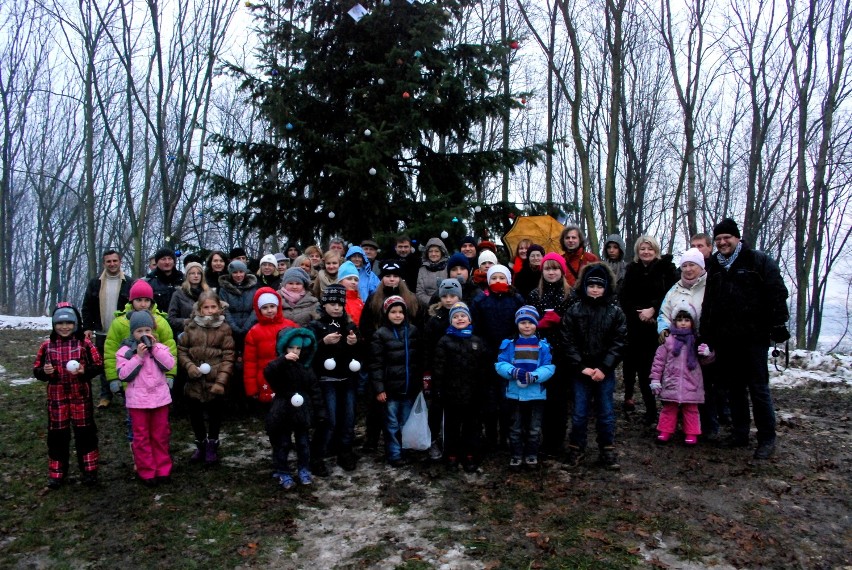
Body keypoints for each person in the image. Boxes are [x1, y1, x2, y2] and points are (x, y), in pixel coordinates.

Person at [700, 218, 790, 460]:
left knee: (758, 388)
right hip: (725, 338)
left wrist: (779, 323)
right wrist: (706, 334)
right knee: (734, 388)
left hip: (753, 337)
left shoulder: (758, 261)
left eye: (726, 238)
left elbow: (777, 292)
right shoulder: (715, 267)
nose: (722, 242)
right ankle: (740, 433)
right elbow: (708, 303)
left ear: (737, 238)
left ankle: (766, 438)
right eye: (718, 239)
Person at [560, 263, 627, 469]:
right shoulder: (574, 310)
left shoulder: (615, 312)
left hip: (604, 372)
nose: (595, 289)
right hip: (581, 372)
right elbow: (567, 341)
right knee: (579, 413)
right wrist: (580, 366)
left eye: (599, 285)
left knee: (605, 413)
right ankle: (576, 449)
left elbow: (620, 342)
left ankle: (607, 450)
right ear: (584, 286)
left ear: (606, 287)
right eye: (591, 285)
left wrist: (605, 368)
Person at [33, 303, 104, 488]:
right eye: (60, 323)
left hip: (81, 397)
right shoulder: (47, 345)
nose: (64, 327)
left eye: (69, 323)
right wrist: (45, 371)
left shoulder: (84, 343)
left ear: (75, 324)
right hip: (56, 400)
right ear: (53, 324)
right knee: (57, 437)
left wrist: (83, 371)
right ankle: (57, 473)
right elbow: (37, 370)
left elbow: (98, 365)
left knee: (85, 435)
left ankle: (89, 470)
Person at [360, 261, 420, 453]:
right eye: (387, 275)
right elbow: (365, 326)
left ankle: (403, 445)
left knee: (401, 413)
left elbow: (418, 323)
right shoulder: (373, 298)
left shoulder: (410, 298)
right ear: (382, 277)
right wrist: (378, 342)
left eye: (395, 275)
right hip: (381, 355)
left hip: (404, 358)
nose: (391, 278)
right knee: (378, 406)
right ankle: (372, 440)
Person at [619, 235, 677, 422]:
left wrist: (653, 308)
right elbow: (624, 296)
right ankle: (650, 411)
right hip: (635, 326)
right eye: (643, 249)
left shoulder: (666, 269)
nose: (646, 252)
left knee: (658, 371)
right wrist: (638, 313)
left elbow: (671, 294)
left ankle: (670, 412)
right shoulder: (632, 269)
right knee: (638, 370)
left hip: (659, 326)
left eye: (650, 249)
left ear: (656, 250)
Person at [116, 310, 176, 486]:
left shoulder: (160, 348)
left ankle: (163, 469)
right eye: (139, 331)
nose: (144, 335)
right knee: (141, 437)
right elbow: (124, 374)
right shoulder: (125, 352)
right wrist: (138, 357)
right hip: (137, 402)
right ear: (133, 333)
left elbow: (169, 364)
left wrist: (155, 350)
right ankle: (147, 471)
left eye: (147, 330)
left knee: (160, 435)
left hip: (160, 400)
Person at [470, 264, 526, 451]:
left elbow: (521, 325)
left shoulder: (516, 299)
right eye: (494, 278)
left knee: (507, 399)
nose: (498, 281)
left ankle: (507, 435)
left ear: (508, 280)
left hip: (509, 357)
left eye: (502, 278)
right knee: (489, 399)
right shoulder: (480, 300)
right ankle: (491, 436)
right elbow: (475, 329)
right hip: (487, 357)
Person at [307, 284, 362, 473]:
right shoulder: (316, 325)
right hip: (326, 380)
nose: (336, 307)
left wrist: (355, 343)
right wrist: (323, 342)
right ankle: (317, 456)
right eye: (332, 303)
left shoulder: (350, 325)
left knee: (348, 418)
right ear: (324, 304)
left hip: (347, 379)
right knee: (328, 419)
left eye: (340, 303)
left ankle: (345, 451)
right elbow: (308, 351)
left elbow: (361, 352)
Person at [177, 291, 234, 464]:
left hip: (215, 380)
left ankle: (212, 444)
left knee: (215, 414)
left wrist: (221, 381)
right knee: (195, 415)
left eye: (213, 307)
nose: (210, 310)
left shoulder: (224, 328)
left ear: (219, 307)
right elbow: (182, 350)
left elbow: (228, 356)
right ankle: (200, 443)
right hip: (194, 380)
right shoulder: (191, 327)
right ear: (200, 310)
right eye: (206, 307)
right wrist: (189, 366)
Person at [495, 306, 555, 471]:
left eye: (530, 322)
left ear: (536, 324)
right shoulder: (509, 344)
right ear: (517, 324)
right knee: (515, 426)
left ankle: (531, 454)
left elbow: (549, 367)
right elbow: (500, 364)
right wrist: (512, 371)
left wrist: (535, 376)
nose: (527, 326)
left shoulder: (543, 346)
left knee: (534, 427)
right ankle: (516, 455)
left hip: (536, 393)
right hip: (515, 393)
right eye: (523, 323)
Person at [264, 327, 325, 489]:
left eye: (298, 348)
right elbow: (269, 372)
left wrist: (319, 411)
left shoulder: (306, 368)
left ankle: (303, 468)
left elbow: (315, 390)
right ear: (284, 348)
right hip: (283, 410)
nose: (295, 352)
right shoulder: (279, 366)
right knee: (282, 443)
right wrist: (282, 360)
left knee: (303, 443)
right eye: (291, 348)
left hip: (302, 411)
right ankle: (282, 470)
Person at [527, 252, 574, 457]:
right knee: (542, 399)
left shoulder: (570, 295)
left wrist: (560, 321)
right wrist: (539, 326)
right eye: (548, 268)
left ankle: (558, 442)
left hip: (563, 354)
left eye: (555, 268)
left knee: (560, 400)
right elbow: (526, 323)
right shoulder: (534, 295)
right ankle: (545, 441)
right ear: (542, 271)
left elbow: (575, 324)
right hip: (539, 354)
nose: (551, 272)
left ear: (562, 271)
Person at [433, 302, 489, 472]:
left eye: (463, 316)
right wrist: (439, 388)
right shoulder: (444, 341)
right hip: (451, 393)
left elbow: (482, 367)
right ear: (451, 321)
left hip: (472, 393)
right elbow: (438, 367)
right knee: (451, 427)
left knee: (471, 426)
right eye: (456, 316)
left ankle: (470, 455)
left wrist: (482, 388)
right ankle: (451, 455)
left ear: (469, 319)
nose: (459, 319)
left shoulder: (477, 341)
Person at [104, 281, 177, 405]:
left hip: (156, 381)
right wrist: (113, 377)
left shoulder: (161, 322)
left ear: (151, 302)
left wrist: (170, 374)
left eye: (147, 300)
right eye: (139, 300)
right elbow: (111, 350)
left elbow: (170, 348)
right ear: (131, 301)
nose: (143, 304)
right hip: (131, 381)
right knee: (133, 415)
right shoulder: (119, 323)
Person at [650, 302, 713, 445]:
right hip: (672, 381)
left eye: (686, 320)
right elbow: (659, 361)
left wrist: (708, 354)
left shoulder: (696, 341)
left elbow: (706, 361)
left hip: (691, 383)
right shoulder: (668, 341)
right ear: (674, 321)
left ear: (692, 322)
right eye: (679, 320)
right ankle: (665, 431)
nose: (683, 323)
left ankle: (691, 433)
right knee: (668, 408)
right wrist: (655, 379)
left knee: (691, 409)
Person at [370, 295, 423, 467]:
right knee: (391, 424)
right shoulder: (381, 334)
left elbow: (418, 360)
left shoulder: (413, 331)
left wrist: (419, 383)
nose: (398, 315)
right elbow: (376, 363)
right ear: (387, 314)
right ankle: (394, 454)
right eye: (393, 312)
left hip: (409, 388)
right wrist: (379, 389)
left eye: (401, 312)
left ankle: (406, 450)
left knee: (405, 422)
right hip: (390, 390)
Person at [81, 249, 133, 409]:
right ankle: (105, 395)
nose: (112, 264)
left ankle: (128, 395)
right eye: (108, 261)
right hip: (102, 331)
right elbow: (87, 307)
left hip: (123, 332)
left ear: (120, 262)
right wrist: (88, 327)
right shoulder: (95, 282)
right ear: (104, 263)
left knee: (127, 363)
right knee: (104, 365)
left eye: (114, 261)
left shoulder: (129, 282)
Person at [422, 278, 464, 462]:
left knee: (456, 411)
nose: (448, 299)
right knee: (436, 409)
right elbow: (427, 348)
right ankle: (433, 440)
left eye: (453, 295)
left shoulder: (463, 317)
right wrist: (427, 374)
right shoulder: (434, 320)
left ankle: (454, 442)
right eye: (445, 295)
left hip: (459, 373)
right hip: (438, 373)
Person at [243, 288, 298, 405]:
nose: (269, 311)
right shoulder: (254, 332)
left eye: (272, 306)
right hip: (266, 378)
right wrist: (251, 388)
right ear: (259, 310)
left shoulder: (291, 326)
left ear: (278, 306)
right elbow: (250, 362)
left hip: (289, 375)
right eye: (265, 307)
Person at [218, 260, 259, 355]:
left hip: (250, 326)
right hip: (231, 328)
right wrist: (234, 328)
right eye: (235, 272)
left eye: (241, 272)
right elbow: (224, 309)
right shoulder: (224, 290)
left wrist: (247, 326)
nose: (238, 275)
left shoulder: (253, 288)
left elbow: (255, 308)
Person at [167, 261, 209, 336]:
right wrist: (189, 322)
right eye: (192, 273)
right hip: (186, 334)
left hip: (207, 333)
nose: (196, 276)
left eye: (199, 273)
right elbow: (171, 319)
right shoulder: (178, 294)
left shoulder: (208, 293)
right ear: (187, 275)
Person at [145, 248, 185, 321]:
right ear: (157, 262)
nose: (167, 262)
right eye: (163, 259)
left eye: (170, 259)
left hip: (181, 324)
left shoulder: (183, 280)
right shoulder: (149, 282)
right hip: (158, 323)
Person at [416, 237, 449, 308]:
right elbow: (420, 292)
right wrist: (432, 303)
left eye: (436, 251)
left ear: (442, 252)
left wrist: (443, 303)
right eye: (430, 251)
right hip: (428, 307)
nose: (433, 254)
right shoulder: (422, 269)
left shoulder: (448, 268)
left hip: (447, 304)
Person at [337, 260, 365, 326]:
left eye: (356, 280)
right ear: (340, 281)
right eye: (349, 279)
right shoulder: (337, 300)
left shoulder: (360, 301)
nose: (353, 282)